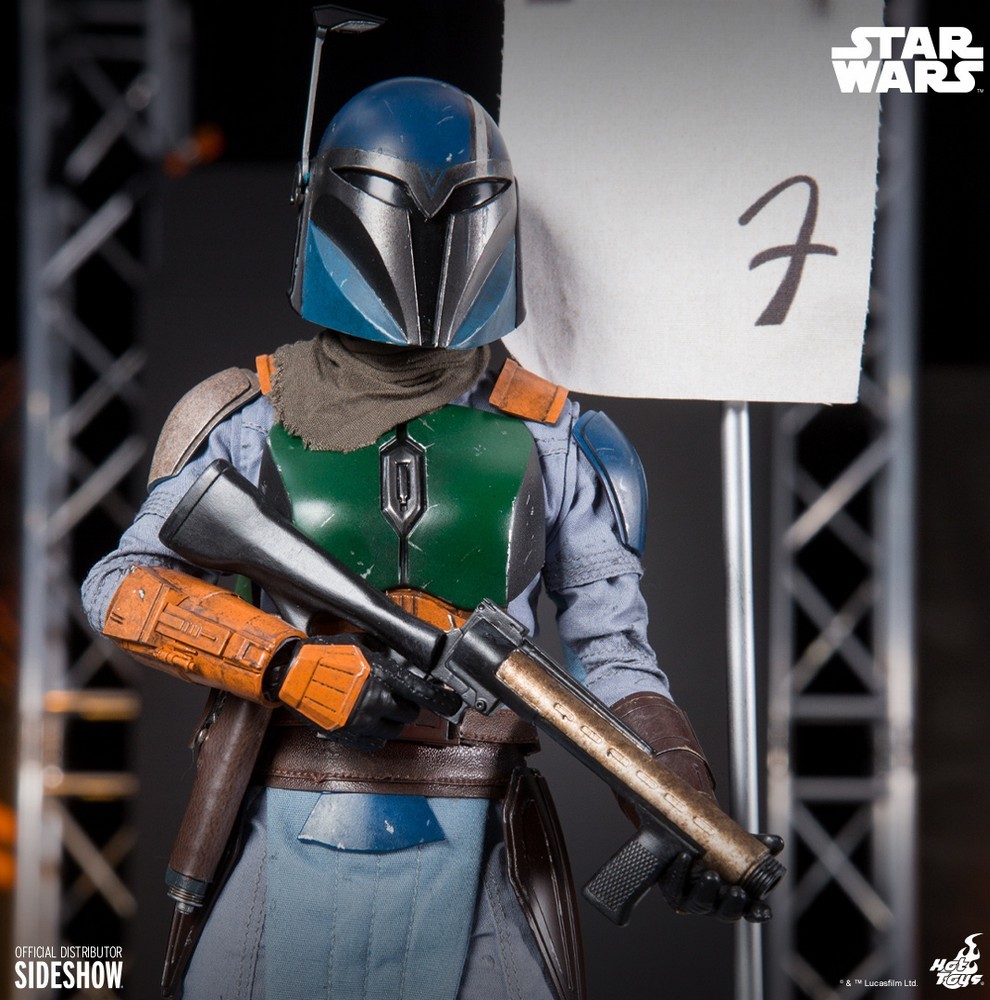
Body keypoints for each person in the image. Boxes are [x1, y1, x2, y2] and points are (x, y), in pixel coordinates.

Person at [82, 77, 773, 1000]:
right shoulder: (245, 418)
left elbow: (615, 659)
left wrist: (683, 802)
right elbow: (122, 589)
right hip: (282, 816)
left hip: (479, 836)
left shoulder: (558, 438)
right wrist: (292, 667)